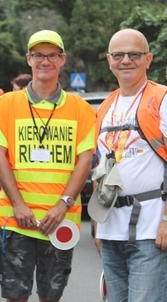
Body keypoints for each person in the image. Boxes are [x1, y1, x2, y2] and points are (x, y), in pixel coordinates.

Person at [0, 30, 95, 302]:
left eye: (52, 55)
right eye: (38, 55)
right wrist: (19, 204)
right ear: (28, 59)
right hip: (16, 218)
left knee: (50, 296)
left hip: (59, 221)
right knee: (15, 296)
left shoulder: (81, 109)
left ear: (62, 59)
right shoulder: (6, 105)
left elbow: (85, 160)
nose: (45, 61)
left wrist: (62, 205)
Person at [88, 29, 167, 301]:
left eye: (134, 54)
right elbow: (102, 167)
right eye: (118, 55)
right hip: (112, 231)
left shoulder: (161, 99)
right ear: (109, 60)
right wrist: (98, 225)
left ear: (148, 59)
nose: (126, 61)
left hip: (151, 231)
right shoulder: (106, 106)